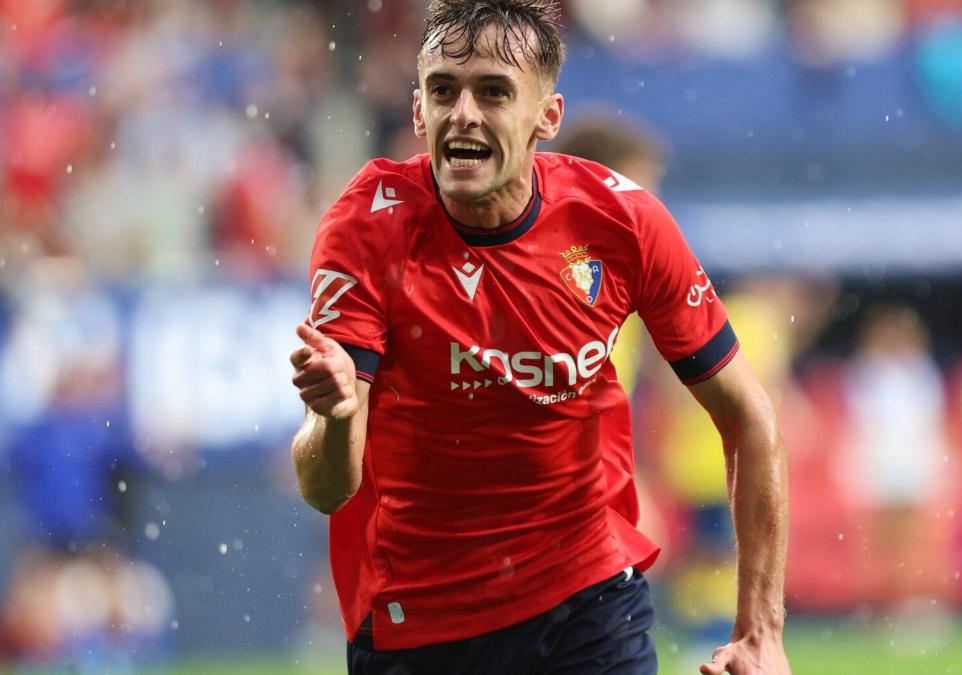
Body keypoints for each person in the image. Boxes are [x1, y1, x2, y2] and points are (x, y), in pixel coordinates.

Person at [288, 2, 790, 673]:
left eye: (493, 91)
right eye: (443, 90)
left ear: (547, 118)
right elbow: (326, 487)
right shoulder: (367, 225)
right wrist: (334, 414)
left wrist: (762, 629)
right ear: (417, 113)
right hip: (419, 618)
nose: (463, 112)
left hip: (586, 599)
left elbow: (749, 418)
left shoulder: (623, 221)